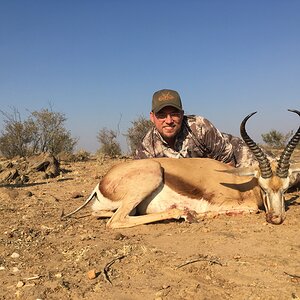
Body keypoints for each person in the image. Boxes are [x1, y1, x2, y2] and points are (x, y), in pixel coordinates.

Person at [135, 89, 254, 167]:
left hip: (237, 154)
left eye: (174, 114)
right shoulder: (147, 148)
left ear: (182, 114)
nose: (169, 121)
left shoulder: (200, 126)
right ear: (152, 117)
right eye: (161, 115)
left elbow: (228, 163)